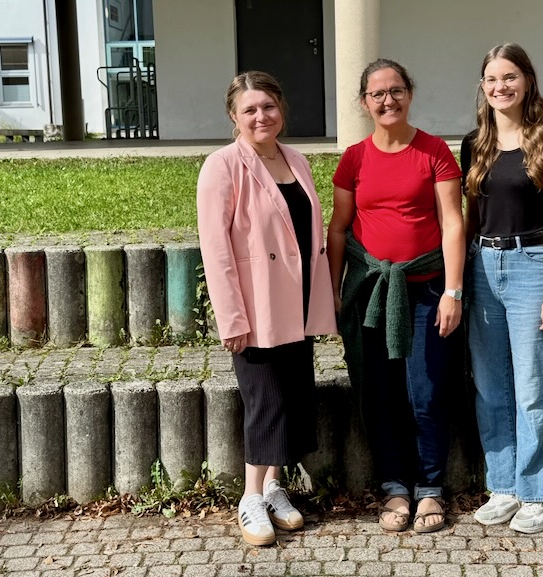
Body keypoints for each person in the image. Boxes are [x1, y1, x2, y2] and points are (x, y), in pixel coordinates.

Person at [196, 71, 337, 547]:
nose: (261, 116)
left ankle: (274, 487)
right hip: (256, 304)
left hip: (296, 299)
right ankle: (250, 497)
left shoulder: (297, 160)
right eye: (250, 109)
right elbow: (216, 249)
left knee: (293, 396)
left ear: (282, 109)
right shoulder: (222, 166)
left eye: (269, 106)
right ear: (234, 116)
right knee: (265, 401)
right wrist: (231, 317)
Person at [327, 58, 465, 534]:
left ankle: (430, 488)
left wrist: (452, 291)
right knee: (381, 393)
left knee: (427, 391)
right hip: (372, 294)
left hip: (427, 289)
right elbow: (338, 229)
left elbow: (452, 223)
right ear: (364, 103)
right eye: (378, 94)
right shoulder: (354, 158)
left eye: (396, 91)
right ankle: (395, 488)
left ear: (410, 93)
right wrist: (333, 291)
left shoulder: (434, 151)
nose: (389, 100)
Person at [461, 43, 543, 534]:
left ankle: (542, 494)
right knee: (491, 387)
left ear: (527, 80)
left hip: (534, 266)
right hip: (483, 267)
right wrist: (460, 280)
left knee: (534, 388)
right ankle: (505, 486)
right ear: (483, 86)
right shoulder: (475, 144)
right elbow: (471, 216)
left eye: (509, 77)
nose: (500, 87)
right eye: (492, 79)